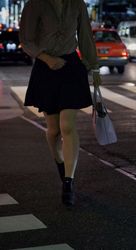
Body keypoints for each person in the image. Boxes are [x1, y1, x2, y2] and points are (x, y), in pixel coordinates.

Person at [19, 0, 101, 206]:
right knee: (53, 130)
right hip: (46, 69)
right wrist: (46, 58)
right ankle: (60, 163)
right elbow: (26, 41)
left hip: (71, 66)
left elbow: (85, 36)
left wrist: (94, 67)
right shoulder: (34, 5)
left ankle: (68, 181)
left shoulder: (77, 4)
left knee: (67, 125)